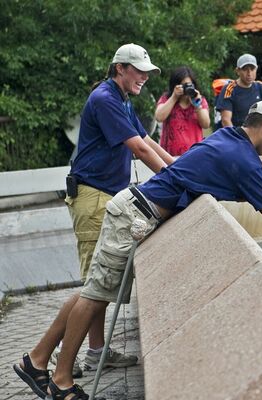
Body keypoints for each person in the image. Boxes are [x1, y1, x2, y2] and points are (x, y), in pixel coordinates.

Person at [13, 101, 262, 399]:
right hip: (135, 215)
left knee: (92, 291)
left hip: (132, 206)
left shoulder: (227, 137)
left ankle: (37, 360)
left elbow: (209, 172)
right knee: (96, 297)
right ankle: (61, 381)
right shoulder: (244, 160)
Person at [13, 43, 174, 396]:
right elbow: (139, 149)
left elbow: (147, 139)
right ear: (119, 68)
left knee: (97, 287)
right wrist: (176, 180)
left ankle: (80, 354)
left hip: (106, 196)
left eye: (147, 72)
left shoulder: (122, 99)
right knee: (94, 288)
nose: (144, 77)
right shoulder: (105, 99)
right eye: (138, 70)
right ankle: (45, 363)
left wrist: (177, 166)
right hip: (93, 197)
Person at [154, 66, 210, 156]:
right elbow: (159, 117)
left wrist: (197, 105)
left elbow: (206, 124)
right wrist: (174, 97)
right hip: (169, 156)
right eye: (183, 85)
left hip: (194, 154)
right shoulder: (167, 98)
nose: (187, 88)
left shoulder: (199, 100)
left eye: (189, 85)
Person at [215, 54, 262, 128]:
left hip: (257, 132)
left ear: (256, 69)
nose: (249, 73)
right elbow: (226, 120)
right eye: (245, 69)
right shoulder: (229, 89)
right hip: (237, 132)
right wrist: (236, 135)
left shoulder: (261, 87)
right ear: (238, 71)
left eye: (252, 69)